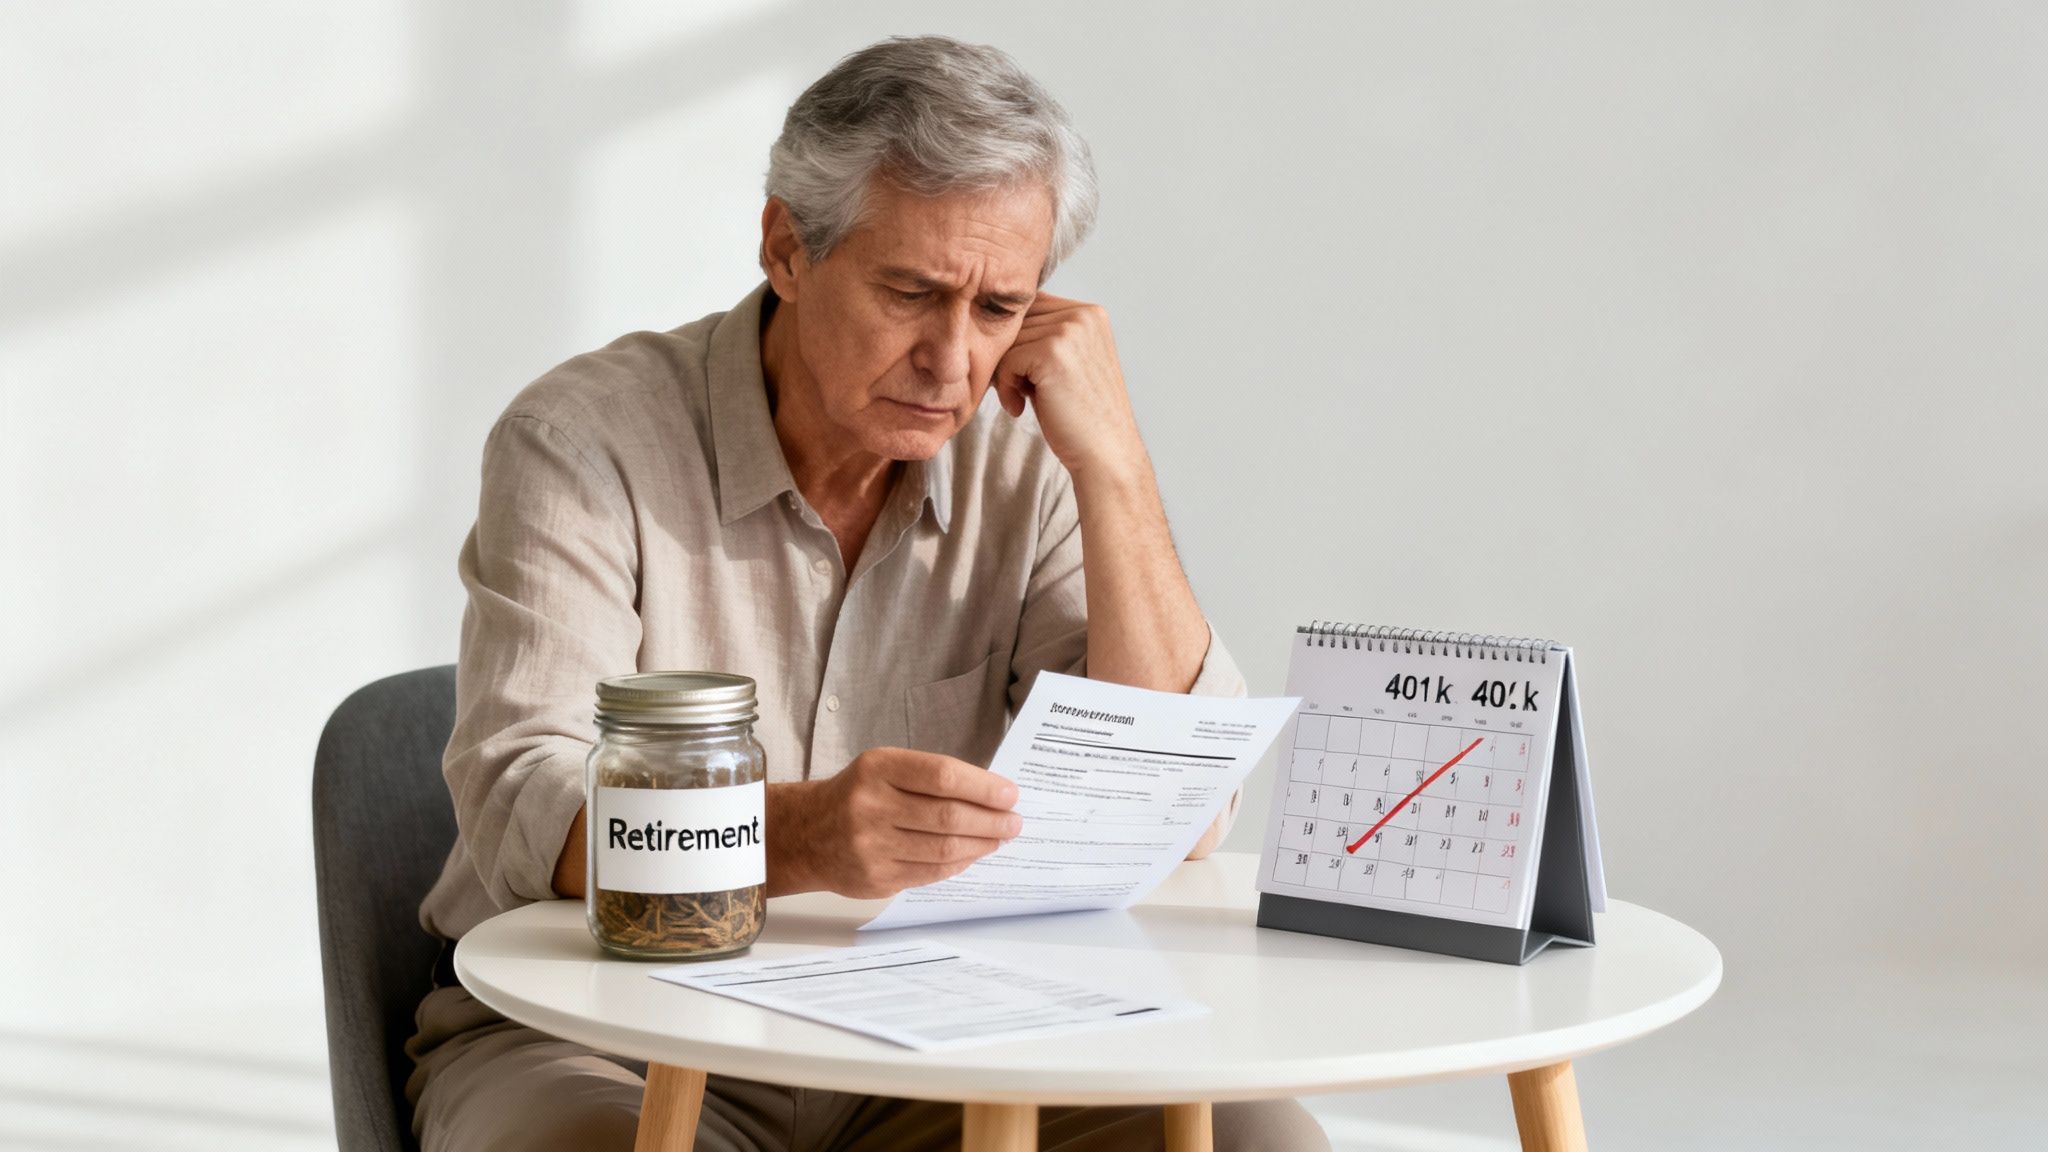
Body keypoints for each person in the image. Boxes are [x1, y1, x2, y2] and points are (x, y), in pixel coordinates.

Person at [404, 34, 1329, 1152]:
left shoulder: (1023, 459)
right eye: (911, 292)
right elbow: (522, 803)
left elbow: (1175, 810)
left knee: (1253, 1140)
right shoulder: (583, 440)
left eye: (998, 309)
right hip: (610, 1030)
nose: (951, 361)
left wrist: (1114, 468)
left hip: (937, 1041)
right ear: (785, 248)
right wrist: (794, 838)